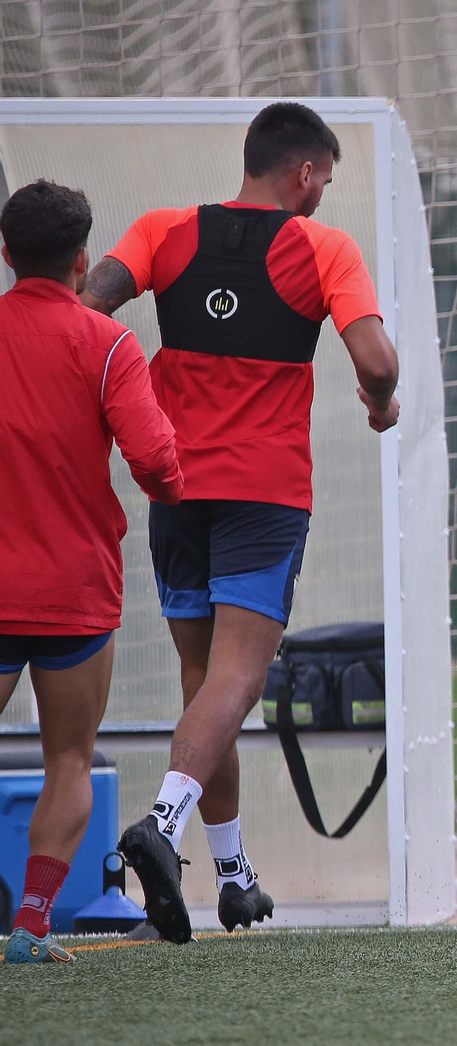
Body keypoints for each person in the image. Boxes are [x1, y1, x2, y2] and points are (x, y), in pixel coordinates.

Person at [80, 102, 400, 944]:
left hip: (175, 490)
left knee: (204, 686)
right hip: (262, 494)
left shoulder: (162, 228)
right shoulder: (323, 247)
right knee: (238, 682)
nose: (325, 193)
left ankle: (232, 876)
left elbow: (87, 311)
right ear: (302, 172)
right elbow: (375, 358)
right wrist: (381, 402)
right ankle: (161, 825)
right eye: (325, 178)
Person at [0, 180, 184, 963]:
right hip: (74, 589)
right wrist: (171, 489)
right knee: (69, 760)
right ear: (82, 260)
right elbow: (155, 460)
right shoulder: (109, 345)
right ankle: (32, 927)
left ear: (6, 256)